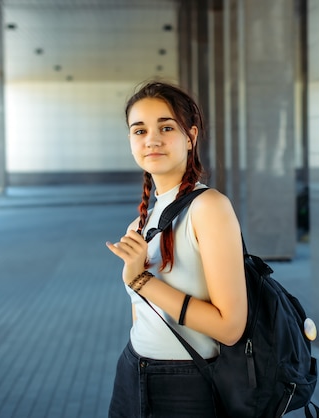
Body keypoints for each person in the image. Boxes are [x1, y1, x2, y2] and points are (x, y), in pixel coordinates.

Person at [106, 80, 247, 417]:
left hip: (187, 383)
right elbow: (143, 314)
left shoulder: (209, 207)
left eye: (166, 127)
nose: (151, 139)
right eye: (139, 131)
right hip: (132, 371)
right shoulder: (139, 223)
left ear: (190, 137)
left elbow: (230, 327)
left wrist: (140, 280)